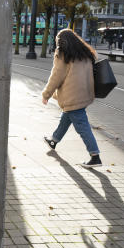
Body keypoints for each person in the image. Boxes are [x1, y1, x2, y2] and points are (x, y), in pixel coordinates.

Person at [41, 29, 102, 167]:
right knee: (67, 116)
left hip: (72, 96)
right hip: (84, 94)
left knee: (82, 126)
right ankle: (54, 140)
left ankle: (95, 156)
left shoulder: (63, 54)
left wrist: (46, 94)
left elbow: (56, 76)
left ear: (61, 42)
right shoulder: (85, 52)